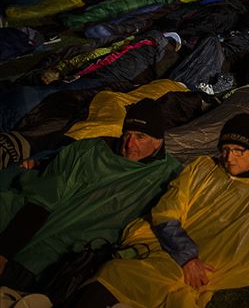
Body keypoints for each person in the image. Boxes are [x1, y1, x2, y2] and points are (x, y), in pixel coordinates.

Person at [79, 113, 249, 307]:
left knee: (158, 279)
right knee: (115, 272)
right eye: (225, 150)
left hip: (201, 262)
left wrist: (195, 262)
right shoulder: (203, 167)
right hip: (167, 241)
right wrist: (186, 255)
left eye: (238, 151)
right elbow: (168, 208)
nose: (229, 158)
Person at [0, 99, 180, 290]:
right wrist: (5, 251)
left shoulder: (169, 175)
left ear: (158, 141)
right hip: (35, 226)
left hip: (74, 253)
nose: (130, 143)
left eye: (140, 136)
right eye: (127, 134)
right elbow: (44, 196)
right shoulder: (91, 151)